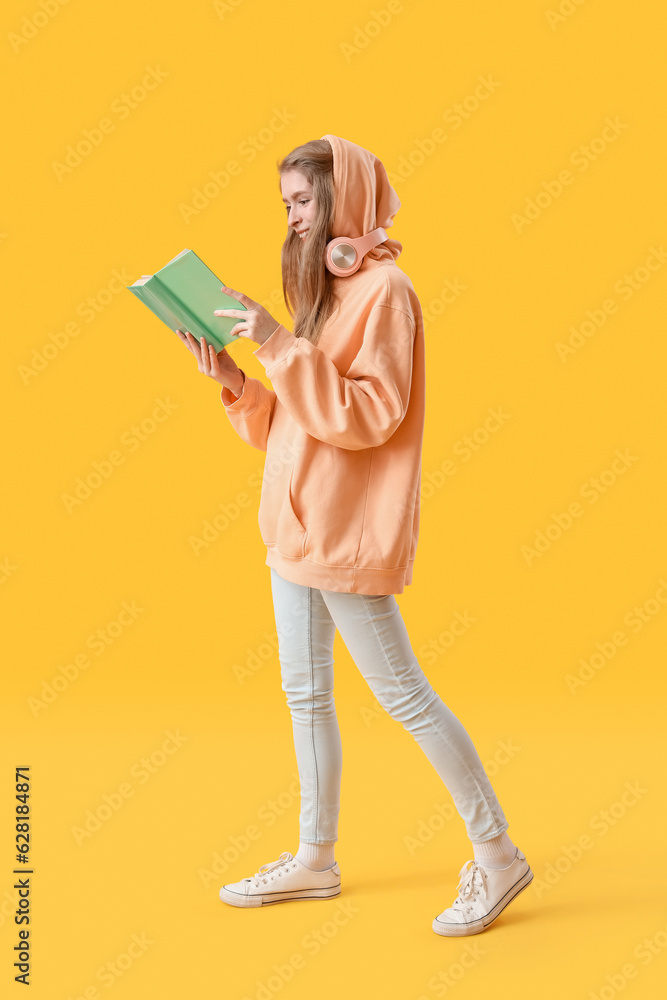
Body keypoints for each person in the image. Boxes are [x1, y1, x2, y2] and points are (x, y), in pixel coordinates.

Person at [175, 134, 533, 936]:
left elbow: (367, 418)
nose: (294, 219)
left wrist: (274, 344)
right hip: (292, 531)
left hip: (341, 537)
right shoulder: (325, 293)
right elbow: (298, 430)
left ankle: (498, 855)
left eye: (303, 202)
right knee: (305, 697)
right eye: (287, 206)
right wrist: (235, 380)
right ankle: (314, 858)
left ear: (345, 200)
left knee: (402, 694)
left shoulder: (387, 292)